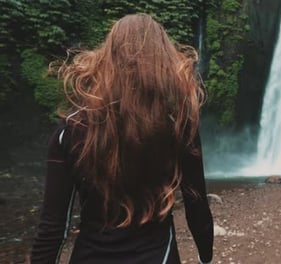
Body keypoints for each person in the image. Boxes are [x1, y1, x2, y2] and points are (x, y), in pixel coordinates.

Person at [30, 14, 213, 264]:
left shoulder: (72, 129)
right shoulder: (177, 126)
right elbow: (197, 206)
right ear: (164, 61)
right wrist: (205, 256)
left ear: (106, 58)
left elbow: (53, 227)